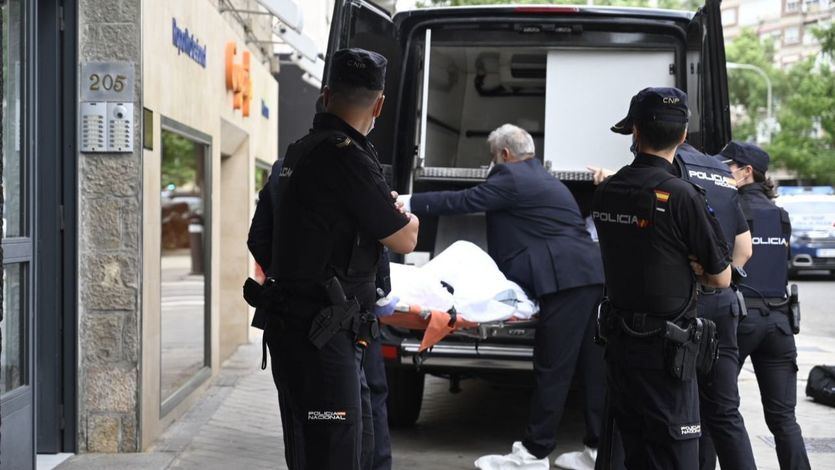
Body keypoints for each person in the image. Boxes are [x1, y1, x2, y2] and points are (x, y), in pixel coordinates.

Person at [246, 48, 419, 470]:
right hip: (327, 338)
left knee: (309, 446)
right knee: (339, 449)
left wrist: (303, 274)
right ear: (378, 104)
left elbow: (259, 239)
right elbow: (404, 239)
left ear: (326, 97)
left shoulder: (291, 157)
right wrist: (404, 215)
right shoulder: (349, 157)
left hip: (291, 327)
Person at [399, 123, 606, 470]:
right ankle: (598, 451)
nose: (491, 167)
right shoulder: (547, 179)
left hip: (564, 281)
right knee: (593, 367)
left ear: (505, 155)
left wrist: (407, 201)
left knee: (552, 367)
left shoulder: (510, 177)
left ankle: (534, 454)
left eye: (493, 159)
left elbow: (462, 201)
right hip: (590, 275)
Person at [592, 87, 731, 470]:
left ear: (635, 132)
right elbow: (721, 277)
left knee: (634, 452)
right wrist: (694, 264)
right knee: (675, 456)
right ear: (683, 136)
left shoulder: (607, 192)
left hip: (621, 346)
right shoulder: (682, 195)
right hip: (667, 353)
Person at [718, 141, 811, 470]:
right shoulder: (780, 215)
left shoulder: (729, 208)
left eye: (727, 166)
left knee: (718, 411)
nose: (721, 171)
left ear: (746, 172)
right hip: (780, 322)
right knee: (785, 420)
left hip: (742, 319)